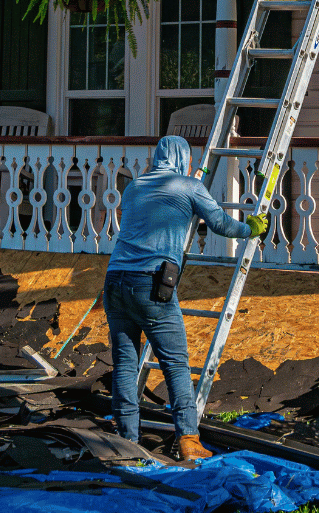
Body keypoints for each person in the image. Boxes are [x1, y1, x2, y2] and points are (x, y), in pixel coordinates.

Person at [103, 134, 268, 460]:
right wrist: (251, 228)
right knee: (176, 365)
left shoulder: (135, 186)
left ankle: (127, 441)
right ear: (181, 159)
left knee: (125, 363)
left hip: (114, 280)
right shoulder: (189, 185)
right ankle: (189, 443)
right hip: (150, 284)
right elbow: (220, 223)